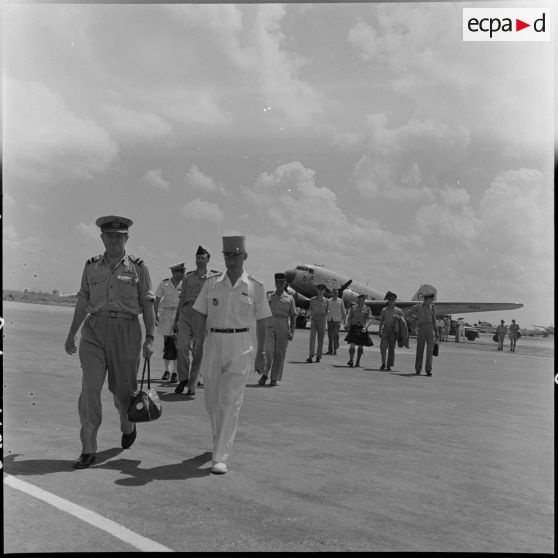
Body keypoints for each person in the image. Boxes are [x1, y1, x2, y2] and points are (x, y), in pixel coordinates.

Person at [64, 215, 155, 470]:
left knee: (123, 393)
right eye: (110, 236)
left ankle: (128, 425)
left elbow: (148, 303)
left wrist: (150, 338)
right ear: (102, 238)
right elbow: (83, 300)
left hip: (126, 332)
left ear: (127, 238)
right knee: (90, 389)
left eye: (120, 236)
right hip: (94, 331)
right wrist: (72, 333)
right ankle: (88, 448)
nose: (115, 240)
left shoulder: (138, 267)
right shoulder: (91, 266)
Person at [192, 235, 271, 474]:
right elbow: (199, 313)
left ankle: (220, 456)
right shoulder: (212, 284)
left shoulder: (255, 286)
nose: (232, 260)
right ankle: (219, 439)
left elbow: (262, 320)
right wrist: (197, 342)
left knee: (230, 400)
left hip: (240, 344)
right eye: (228, 255)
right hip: (214, 342)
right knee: (212, 401)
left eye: (236, 255)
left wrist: (261, 352)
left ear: (245, 256)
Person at [173, 246, 220, 396]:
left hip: (203, 315)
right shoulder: (188, 277)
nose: (199, 260)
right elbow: (182, 299)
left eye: (202, 258)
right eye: (197, 258)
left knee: (198, 350)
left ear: (208, 259)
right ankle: (183, 378)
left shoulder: (214, 278)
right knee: (182, 346)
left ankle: (192, 383)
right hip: (186, 313)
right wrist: (176, 320)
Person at [258, 272, 296, 386]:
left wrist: (292, 331)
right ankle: (265, 374)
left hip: (283, 325)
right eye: (277, 282)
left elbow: (293, 316)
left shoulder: (290, 299)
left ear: (285, 284)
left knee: (279, 353)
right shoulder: (269, 296)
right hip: (270, 324)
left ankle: (274, 378)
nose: (279, 284)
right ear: (275, 283)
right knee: (268, 352)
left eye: (281, 282)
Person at [154, 263, 185, 382]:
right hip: (166, 314)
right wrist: (156, 315)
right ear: (173, 273)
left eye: (183, 271)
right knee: (167, 343)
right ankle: (167, 370)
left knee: (177, 344)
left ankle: (175, 372)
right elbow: (156, 300)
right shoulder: (165, 283)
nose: (182, 274)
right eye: (180, 272)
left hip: (179, 314)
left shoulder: (185, 283)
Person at [408, 291, 438, 376]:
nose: (432, 301)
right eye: (431, 299)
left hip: (430, 328)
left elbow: (434, 319)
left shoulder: (433, 307)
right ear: (426, 299)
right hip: (421, 328)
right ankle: (418, 369)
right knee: (419, 349)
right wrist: (416, 318)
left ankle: (428, 370)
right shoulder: (418, 306)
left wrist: (436, 331)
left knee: (430, 350)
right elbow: (408, 313)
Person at [345, 293, 373, 367]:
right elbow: (349, 317)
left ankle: (358, 361)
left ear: (364, 299)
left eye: (362, 299)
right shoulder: (353, 307)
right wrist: (347, 324)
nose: (360, 300)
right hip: (354, 327)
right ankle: (351, 360)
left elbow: (369, 319)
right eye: (359, 299)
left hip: (362, 328)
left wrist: (366, 327)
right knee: (352, 344)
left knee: (360, 345)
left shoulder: (367, 308)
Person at [378, 291, 404, 371]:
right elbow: (381, 321)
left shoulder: (399, 311)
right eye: (390, 299)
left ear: (395, 300)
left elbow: (403, 321)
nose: (391, 301)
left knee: (391, 349)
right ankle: (383, 363)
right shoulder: (384, 310)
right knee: (382, 348)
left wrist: (399, 318)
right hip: (385, 329)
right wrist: (379, 331)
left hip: (394, 331)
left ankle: (388, 365)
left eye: (393, 300)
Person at [306, 284, 329, 363]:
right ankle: (311, 355)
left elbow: (327, 311)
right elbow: (310, 308)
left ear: (324, 291)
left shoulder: (327, 301)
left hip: (322, 319)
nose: (320, 291)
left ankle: (318, 356)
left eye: (322, 290)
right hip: (314, 319)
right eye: (319, 290)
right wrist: (309, 316)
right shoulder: (312, 299)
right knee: (312, 337)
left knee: (320, 338)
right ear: (317, 290)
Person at [325, 288, 346, 355]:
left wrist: (344, 319)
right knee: (330, 335)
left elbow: (343, 310)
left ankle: (335, 348)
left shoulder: (340, 301)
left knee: (335, 334)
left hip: (337, 320)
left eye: (337, 293)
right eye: (334, 293)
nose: (335, 294)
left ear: (338, 294)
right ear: (332, 293)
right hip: (330, 320)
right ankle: (330, 350)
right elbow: (326, 309)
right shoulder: (329, 301)